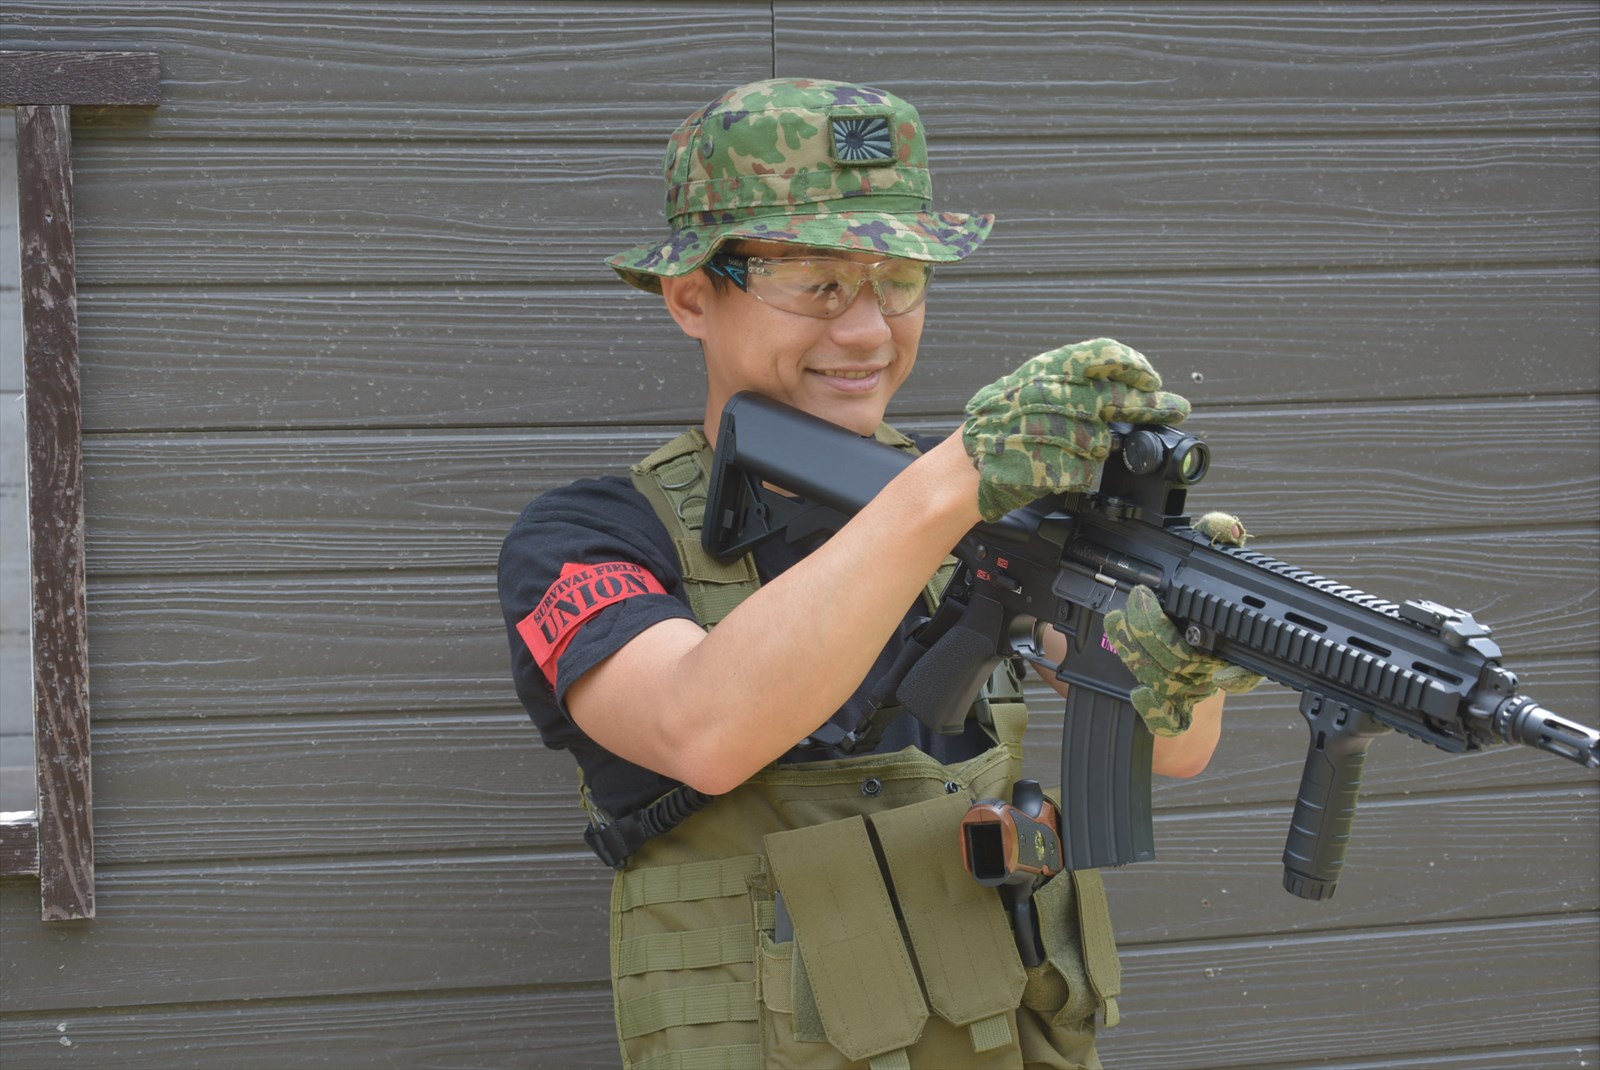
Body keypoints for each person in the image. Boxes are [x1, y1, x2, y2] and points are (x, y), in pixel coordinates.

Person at [499, 78, 1254, 1070]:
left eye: (897, 278)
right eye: (815, 283)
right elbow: (702, 731)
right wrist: (951, 483)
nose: (865, 330)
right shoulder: (590, 535)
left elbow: (1176, 750)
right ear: (691, 296)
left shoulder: (979, 499)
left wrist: (1182, 637)